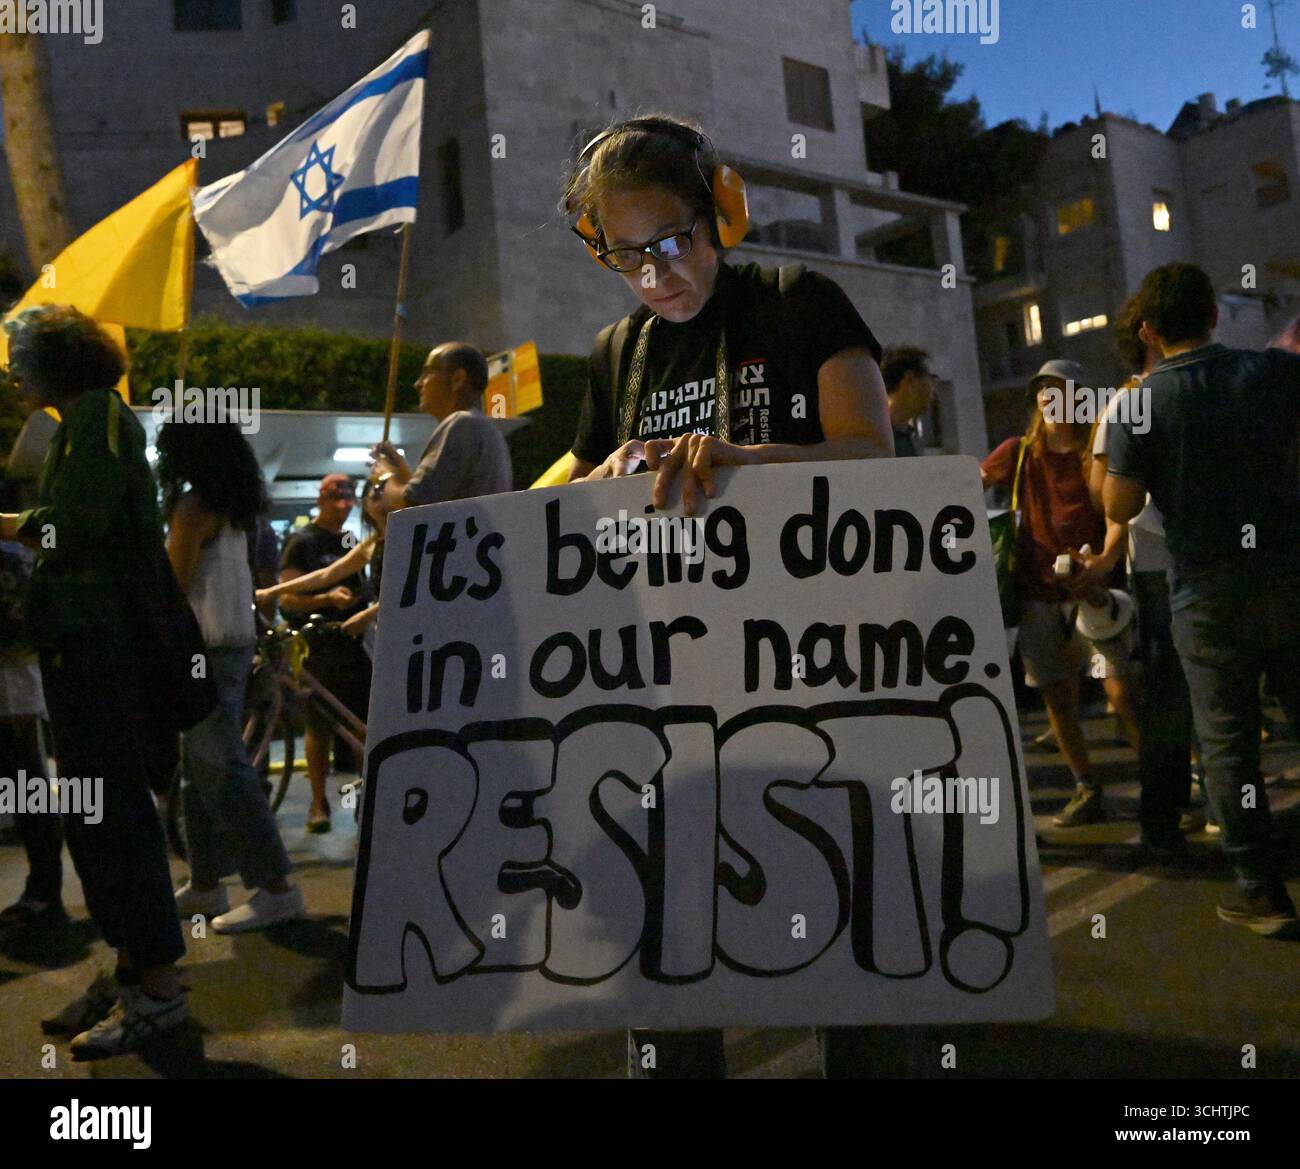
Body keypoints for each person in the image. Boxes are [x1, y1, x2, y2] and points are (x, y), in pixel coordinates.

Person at [558, 114, 893, 1078]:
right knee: (667, 970)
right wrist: (607, 478)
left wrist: (745, 461)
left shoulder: (800, 301)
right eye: (627, 257)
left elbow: (875, 458)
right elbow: (572, 508)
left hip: (824, 689)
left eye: (670, 243)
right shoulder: (618, 352)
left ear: (725, 213)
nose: (655, 274)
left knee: (860, 960)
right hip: (668, 711)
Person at [0, 306, 188, 1059]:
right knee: (98, 822)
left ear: (58, 363)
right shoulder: (81, 424)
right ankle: (133, 970)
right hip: (81, 656)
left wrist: (9, 523)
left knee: (114, 822)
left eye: (21, 357)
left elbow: (75, 525)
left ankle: (159, 994)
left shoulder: (101, 421)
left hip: (101, 657)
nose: (11, 370)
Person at [1104, 263, 1300, 937]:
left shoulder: (1138, 402)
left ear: (1150, 332)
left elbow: (1121, 503)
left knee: (1227, 742)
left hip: (1205, 591)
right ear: (1214, 315)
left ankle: (1261, 889)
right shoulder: (1275, 372)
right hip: (1288, 573)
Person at [155, 416, 305, 933]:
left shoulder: (193, 507)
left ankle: (277, 887)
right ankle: (205, 884)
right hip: (232, 645)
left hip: (201, 648)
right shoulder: (236, 510)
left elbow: (172, 586)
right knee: (201, 770)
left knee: (222, 768)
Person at [980, 360, 1139, 829]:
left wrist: (1104, 563)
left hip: (1093, 590)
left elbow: (1118, 513)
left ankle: (1177, 779)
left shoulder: (1097, 452)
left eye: (1060, 390)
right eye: (1043, 391)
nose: (1050, 399)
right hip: (1037, 591)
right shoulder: (1020, 452)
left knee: (1122, 689)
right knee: (1058, 697)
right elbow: (972, 482)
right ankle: (1087, 786)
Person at [1081, 297, 1196, 857]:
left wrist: (1106, 552)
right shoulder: (1152, 399)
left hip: (1157, 565)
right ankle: (1204, 810)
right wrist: (1106, 552)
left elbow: (1108, 495)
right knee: (1206, 694)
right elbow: (1110, 499)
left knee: (1173, 698)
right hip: (1194, 562)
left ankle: (1166, 820)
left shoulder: (1124, 406)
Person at [278, 474, 373, 833]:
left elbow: (360, 584)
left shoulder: (351, 541)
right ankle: (319, 804)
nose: (344, 504)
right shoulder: (301, 543)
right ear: (320, 499)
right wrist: (325, 599)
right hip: (318, 646)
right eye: (336, 497)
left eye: (349, 497)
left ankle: (368, 799)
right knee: (318, 726)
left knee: (363, 722)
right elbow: (288, 599)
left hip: (352, 643)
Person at [0, 478, 63, 934]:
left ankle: (44, 892)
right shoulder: (25, 552)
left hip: (14, 687)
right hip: (19, 684)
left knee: (27, 789)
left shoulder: (12, 556)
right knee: (26, 789)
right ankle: (44, 890)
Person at [369, 341, 513, 512]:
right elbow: (438, 493)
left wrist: (385, 477)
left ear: (457, 379)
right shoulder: (485, 430)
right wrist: (400, 472)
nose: (418, 384)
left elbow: (414, 502)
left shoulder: (462, 424)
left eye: (427, 373)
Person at [879, 345, 937, 457]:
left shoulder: (909, 436)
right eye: (931, 378)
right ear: (909, 380)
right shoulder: (873, 436)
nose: (933, 388)